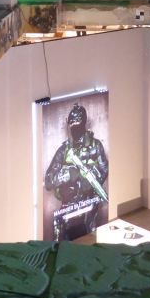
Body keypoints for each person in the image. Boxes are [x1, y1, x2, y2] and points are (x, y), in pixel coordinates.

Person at [44, 103, 109, 241]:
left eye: (78, 124)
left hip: (89, 205)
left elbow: (104, 169)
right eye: (72, 125)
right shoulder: (64, 150)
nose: (75, 128)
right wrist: (67, 174)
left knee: (91, 242)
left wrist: (88, 182)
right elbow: (48, 181)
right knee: (61, 245)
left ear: (84, 123)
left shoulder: (96, 146)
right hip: (68, 207)